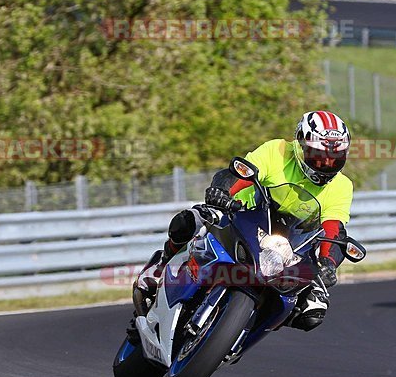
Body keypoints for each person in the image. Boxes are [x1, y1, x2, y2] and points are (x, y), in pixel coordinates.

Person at [133, 111, 354, 331]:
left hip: (289, 247)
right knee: (188, 221)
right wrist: (222, 192)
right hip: (242, 214)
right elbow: (242, 172)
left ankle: (245, 330)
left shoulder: (342, 186)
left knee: (312, 313)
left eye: (335, 158)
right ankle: (161, 266)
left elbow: (333, 228)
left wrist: (328, 263)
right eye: (318, 156)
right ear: (299, 145)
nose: (326, 163)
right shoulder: (276, 150)